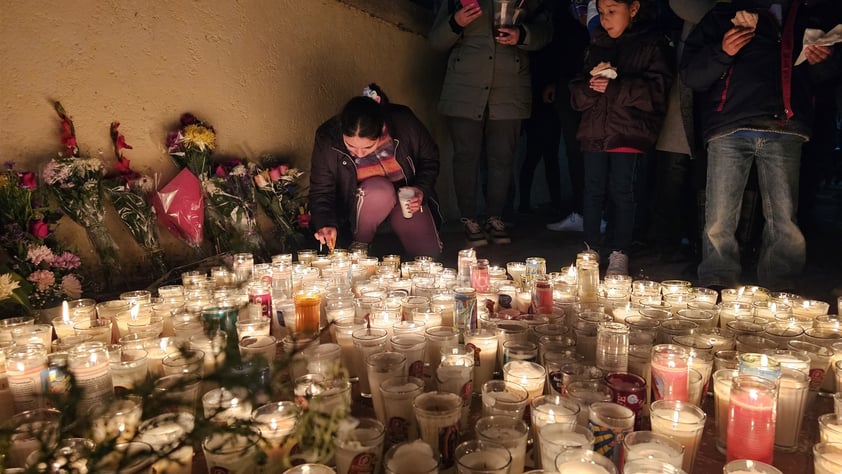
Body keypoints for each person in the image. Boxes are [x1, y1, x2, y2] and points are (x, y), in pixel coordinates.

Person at [681, 0, 839, 290]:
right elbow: (691, 75)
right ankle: (717, 280)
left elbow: (824, 79)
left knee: (784, 216)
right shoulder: (723, 15)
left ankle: (780, 285)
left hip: (785, 126)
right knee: (719, 216)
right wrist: (723, 51)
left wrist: (824, 61)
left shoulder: (806, 16)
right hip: (729, 124)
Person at [429, 0, 552, 247]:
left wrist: (522, 34)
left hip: (510, 88)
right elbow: (435, 41)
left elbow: (546, 32)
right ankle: (469, 219)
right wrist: (456, 22)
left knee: (503, 157)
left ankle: (495, 217)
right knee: (466, 157)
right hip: (465, 88)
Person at [569, 0, 673, 275]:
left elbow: (656, 93)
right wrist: (592, 88)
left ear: (634, 8)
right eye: (602, 13)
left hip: (628, 131)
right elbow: (576, 94)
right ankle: (590, 251)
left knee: (622, 193)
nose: (605, 20)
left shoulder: (652, 44)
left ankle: (619, 253)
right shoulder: (596, 45)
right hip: (594, 132)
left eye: (612, 12)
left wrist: (615, 87)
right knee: (592, 192)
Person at [308, 85, 443, 258]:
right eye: (350, 146)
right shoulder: (327, 139)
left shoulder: (404, 122)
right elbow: (321, 190)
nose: (358, 153)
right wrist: (326, 223)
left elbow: (429, 159)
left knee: (428, 260)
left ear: (382, 130)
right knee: (380, 190)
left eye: (367, 147)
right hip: (365, 205)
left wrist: (421, 188)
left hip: (406, 200)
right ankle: (360, 245)